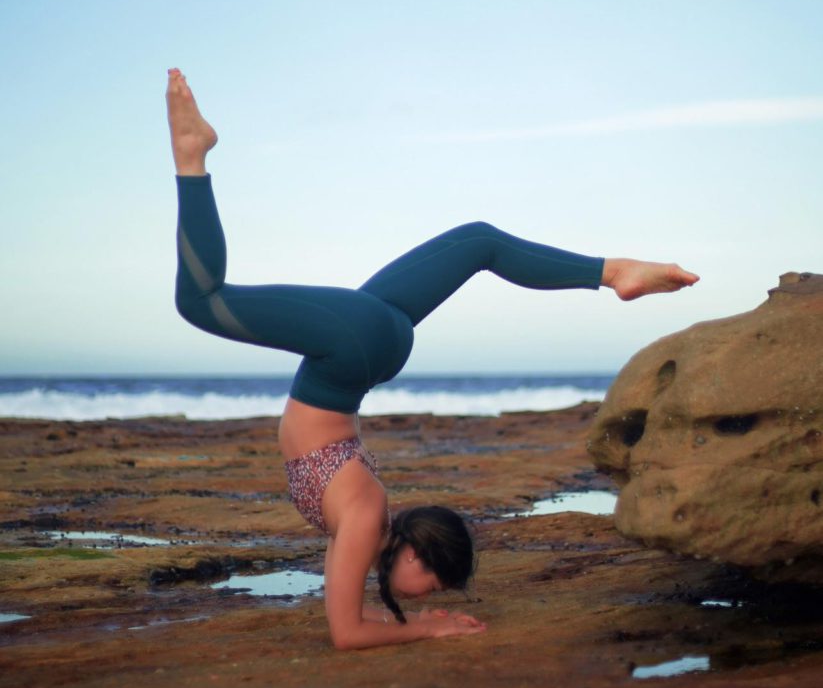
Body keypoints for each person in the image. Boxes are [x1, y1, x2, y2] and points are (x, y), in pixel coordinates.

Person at [165, 68, 699, 650]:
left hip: (370, 348)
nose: (427, 596)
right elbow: (348, 634)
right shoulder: (366, 518)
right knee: (201, 301)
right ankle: (192, 154)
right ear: (415, 554)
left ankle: (613, 272)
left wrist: (408, 624)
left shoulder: (366, 524)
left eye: (432, 594)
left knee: (480, 242)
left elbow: (347, 622)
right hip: (352, 351)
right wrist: (423, 627)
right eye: (434, 584)